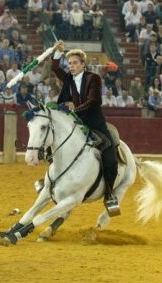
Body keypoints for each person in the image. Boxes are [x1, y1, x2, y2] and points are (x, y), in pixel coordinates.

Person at [51, 40, 120, 216]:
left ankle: (110, 194)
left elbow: (94, 101)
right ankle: (50, 181)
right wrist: (58, 52)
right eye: (70, 63)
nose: (71, 66)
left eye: (74, 63)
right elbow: (55, 68)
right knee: (55, 145)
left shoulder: (93, 78)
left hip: (95, 124)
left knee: (109, 156)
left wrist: (76, 109)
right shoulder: (69, 79)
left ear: (83, 64)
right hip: (77, 124)